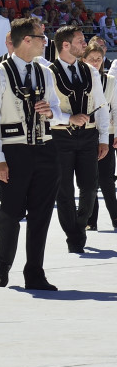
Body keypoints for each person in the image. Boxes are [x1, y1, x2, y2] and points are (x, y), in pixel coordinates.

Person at [0, 18, 67, 290]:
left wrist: (50, 112)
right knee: (9, 212)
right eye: (42, 37)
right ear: (27, 40)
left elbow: (56, 112)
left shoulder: (45, 72)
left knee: (41, 214)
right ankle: (2, 264)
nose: (46, 41)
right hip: (14, 151)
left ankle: (35, 272)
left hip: (46, 149)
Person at [47, 25, 110, 254]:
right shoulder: (48, 72)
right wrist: (68, 117)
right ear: (66, 45)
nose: (85, 44)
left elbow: (101, 105)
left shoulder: (90, 71)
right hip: (60, 136)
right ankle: (73, 235)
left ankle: (79, 226)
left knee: (90, 187)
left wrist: (103, 138)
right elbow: (44, 112)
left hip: (89, 137)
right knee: (63, 190)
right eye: (80, 41)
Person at [84, 40, 117, 230]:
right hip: (86, 134)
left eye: (99, 59)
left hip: (108, 132)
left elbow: (115, 108)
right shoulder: (79, 79)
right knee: (89, 179)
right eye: (92, 59)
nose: (95, 62)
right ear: (84, 59)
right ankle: (90, 219)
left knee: (106, 178)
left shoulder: (110, 81)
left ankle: (115, 216)